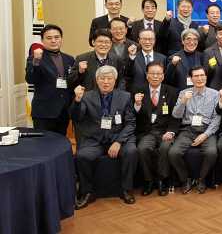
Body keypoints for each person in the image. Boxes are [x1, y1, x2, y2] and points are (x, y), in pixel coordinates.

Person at [71, 65, 137, 209]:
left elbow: (131, 124)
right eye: (102, 78)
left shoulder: (125, 96)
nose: (105, 81)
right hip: (95, 139)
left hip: (119, 137)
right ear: (97, 80)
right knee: (81, 156)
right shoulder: (86, 96)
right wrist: (77, 99)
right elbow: (77, 117)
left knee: (131, 151)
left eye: (109, 78)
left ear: (115, 80)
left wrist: (119, 142)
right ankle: (88, 192)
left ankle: (125, 189)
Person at [68, 29, 130, 146]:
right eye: (100, 41)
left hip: (110, 105)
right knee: (85, 147)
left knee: (109, 143)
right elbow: (70, 83)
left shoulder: (117, 59)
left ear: (111, 44)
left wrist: (119, 98)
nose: (104, 45)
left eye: (107, 42)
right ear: (93, 42)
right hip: (88, 108)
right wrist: (79, 72)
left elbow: (122, 80)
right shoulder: (82, 58)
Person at [169, 65, 222, 195]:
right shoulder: (183, 93)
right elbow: (176, 115)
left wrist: (205, 135)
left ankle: (201, 179)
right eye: (196, 76)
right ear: (191, 79)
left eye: (202, 75)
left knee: (211, 153)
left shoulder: (215, 94)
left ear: (206, 77)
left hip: (207, 130)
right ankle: (186, 179)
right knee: (173, 153)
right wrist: (183, 102)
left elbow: (217, 119)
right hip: (187, 130)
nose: (200, 78)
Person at [132, 61, 179, 197]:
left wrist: (170, 131)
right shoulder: (138, 92)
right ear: (147, 75)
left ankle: (161, 180)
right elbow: (133, 116)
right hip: (147, 132)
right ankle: (149, 181)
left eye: (158, 73)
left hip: (165, 131)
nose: (155, 76)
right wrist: (137, 104)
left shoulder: (172, 92)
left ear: (163, 76)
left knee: (165, 148)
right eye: (152, 73)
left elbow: (175, 116)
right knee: (142, 148)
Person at [25, 24, 75, 136]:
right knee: (43, 145)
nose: (53, 41)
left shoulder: (69, 59)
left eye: (57, 37)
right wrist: (36, 61)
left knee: (60, 143)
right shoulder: (34, 58)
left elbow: (72, 82)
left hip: (64, 111)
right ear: (42, 40)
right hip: (44, 112)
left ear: (61, 39)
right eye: (49, 38)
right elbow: (30, 79)